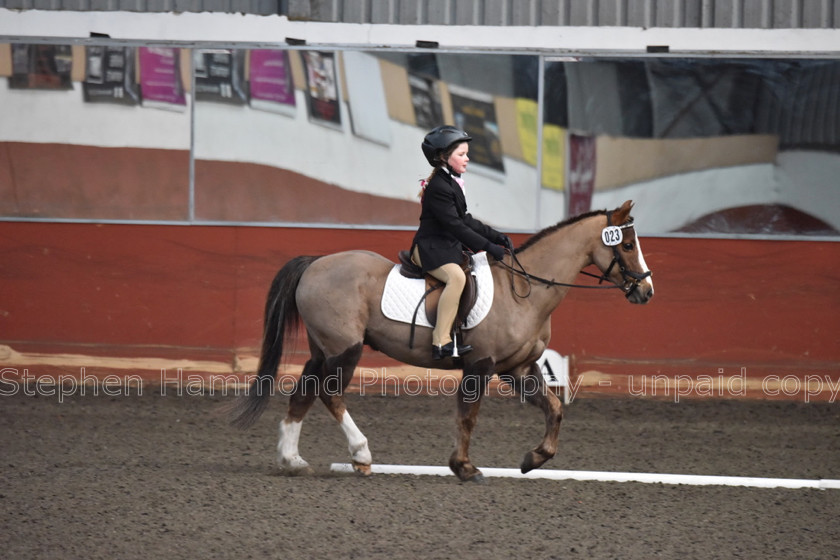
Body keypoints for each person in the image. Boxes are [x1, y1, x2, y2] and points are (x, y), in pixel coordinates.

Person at [411, 125, 512, 360]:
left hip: (446, 246)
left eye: (466, 153)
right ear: (444, 157)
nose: (467, 159)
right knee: (456, 278)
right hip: (429, 248)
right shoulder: (439, 188)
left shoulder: (452, 183)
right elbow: (455, 226)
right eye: (461, 154)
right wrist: (489, 247)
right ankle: (441, 341)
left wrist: (496, 236)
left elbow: (465, 219)